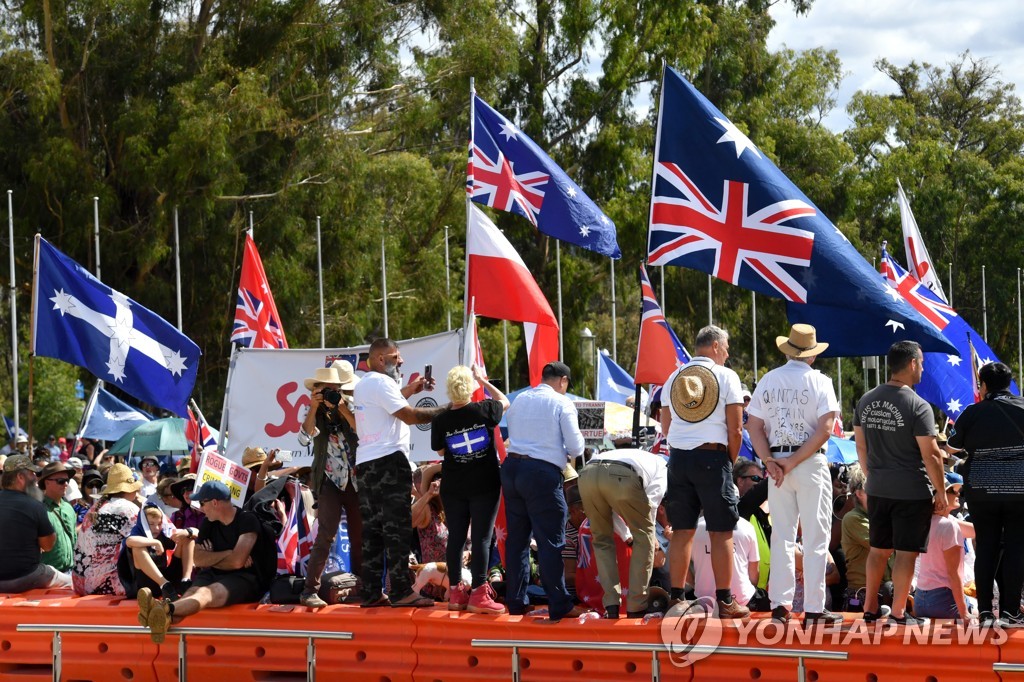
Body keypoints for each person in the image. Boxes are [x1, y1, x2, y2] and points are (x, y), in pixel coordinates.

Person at [746, 323, 842, 626]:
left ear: (788, 350)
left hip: (777, 462)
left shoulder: (769, 379)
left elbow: (754, 426)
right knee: (815, 538)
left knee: (783, 536)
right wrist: (793, 460)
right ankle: (814, 608)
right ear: (812, 355)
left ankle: (780, 606)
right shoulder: (821, 382)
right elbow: (826, 429)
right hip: (809, 462)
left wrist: (770, 461)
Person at [854, 340, 948, 626]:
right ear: (911, 364)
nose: (922, 368)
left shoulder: (866, 399)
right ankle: (897, 612)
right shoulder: (918, 405)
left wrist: (874, 476)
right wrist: (941, 492)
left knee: (878, 549)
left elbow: (861, 448)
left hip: (878, 487)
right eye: (920, 363)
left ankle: (869, 608)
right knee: (906, 553)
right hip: (911, 490)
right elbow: (931, 454)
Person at [660, 325, 749, 619]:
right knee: (721, 531)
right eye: (725, 347)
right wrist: (729, 460)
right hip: (712, 457)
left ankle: (676, 598)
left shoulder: (673, 377)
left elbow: (666, 426)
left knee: (682, 531)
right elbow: (736, 428)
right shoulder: (726, 376)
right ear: (713, 346)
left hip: (678, 459)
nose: (727, 352)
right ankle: (725, 600)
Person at [352, 337, 444, 608]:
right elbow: (410, 416)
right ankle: (402, 591)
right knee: (397, 529)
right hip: (389, 463)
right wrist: (447, 412)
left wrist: (410, 390)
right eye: (395, 357)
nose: (401, 361)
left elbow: (389, 407)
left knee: (373, 532)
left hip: (367, 464)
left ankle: (370, 592)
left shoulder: (364, 384)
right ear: (381, 359)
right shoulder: (381, 383)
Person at [138, 481, 277, 643]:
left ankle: (163, 609)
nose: (201, 508)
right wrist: (228, 554)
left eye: (202, 503)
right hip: (214, 573)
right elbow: (198, 559)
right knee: (191, 593)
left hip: (245, 579)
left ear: (215, 502)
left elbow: (237, 563)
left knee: (204, 594)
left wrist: (212, 558)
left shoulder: (247, 520)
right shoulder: (208, 522)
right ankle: (162, 618)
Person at [503, 361, 587, 621]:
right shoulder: (562, 403)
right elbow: (576, 448)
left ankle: (516, 601)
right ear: (562, 380)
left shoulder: (520, 400)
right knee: (551, 541)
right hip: (541, 474)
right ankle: (559, 603)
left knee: (517, 539)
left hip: (512, 468)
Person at [948, 361, 1024, 625]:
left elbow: (951, 446)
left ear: (983, 385)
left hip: (982, 492)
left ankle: (984, 613)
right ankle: (1010, 612)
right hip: (1018, 491)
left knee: (987, 548)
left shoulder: (972, 412)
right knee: (1016, 548)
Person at [429, 364, 509, 614]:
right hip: (484, 484)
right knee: (483, 538)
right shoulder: (484, 409)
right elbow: (504, 400)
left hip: (453, 487)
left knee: (456, 538)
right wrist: (483, 381)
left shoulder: (440, 419)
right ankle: (479, 593)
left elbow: (441, 451)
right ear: (471, 387)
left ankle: (455, 590)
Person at [298, 362, 363, 608]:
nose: (330, 393)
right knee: (326, 533)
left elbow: (363, 431)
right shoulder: (311, 409)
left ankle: (362, 586)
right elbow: (304, 438)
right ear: (316, 390)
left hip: (355, 480)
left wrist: (343, 408)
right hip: (329, 481)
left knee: (360, 535)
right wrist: (314, 408)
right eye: (326, 389)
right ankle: (309, 590)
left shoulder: (350, 405)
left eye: (334, 388)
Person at [578, 448, 667, 618]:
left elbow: (610, 513)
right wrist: (648, 535)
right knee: (645, 537)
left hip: (588, 473)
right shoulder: (663, 467)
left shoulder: (642, 457)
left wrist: (627, 535)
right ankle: (636, 606)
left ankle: (611, 606)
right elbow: (650, 507)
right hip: (621, 473)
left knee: (601, 540)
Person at [0, 455, 72, 591]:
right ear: (20, 478)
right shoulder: (34, 505)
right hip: (27, 577)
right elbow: (48, 545)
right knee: (73, 583)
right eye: (32, 474)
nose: (35, 478)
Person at [72, 463, 142, 595]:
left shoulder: (96, 507)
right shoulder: (127, 508)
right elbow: (145, 538)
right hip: (107, 585)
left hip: (81, 583)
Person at [915, 473, 975, 621]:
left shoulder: (925, 521)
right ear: (940, 495)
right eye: (952, 491)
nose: (958, 493)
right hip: (944, 600)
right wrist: (964, 613)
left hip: (920, 600)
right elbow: (954, 575)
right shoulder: (949, 525)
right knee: (988, 615)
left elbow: (975, 531)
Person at [840, 464, 894, 612]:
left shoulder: (882, 517)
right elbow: (885, 543)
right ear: (859, 493)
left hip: (887, 591)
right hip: (861, 595)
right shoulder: (852, 518)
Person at [692, 514, 768, 612]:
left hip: (704, 602)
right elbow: (753, 574)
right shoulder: (746, 526)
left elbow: (682, 568)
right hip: (743, 600)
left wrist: (697, 585)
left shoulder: (694, 527)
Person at [119, 504, 195, 599]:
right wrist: (156, 542)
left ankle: (185, 581)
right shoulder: (136, 533)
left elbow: (196, 532)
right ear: (144, 523)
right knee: (138, 547)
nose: (157, 528)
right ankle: (164, 585)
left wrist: (188, 532)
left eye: (159, 524)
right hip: (145, 585)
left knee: (188, 538)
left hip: (168, 579)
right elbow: (129, 541)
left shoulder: (164, 533)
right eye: (151, 524)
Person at [38, 462, 78, 574]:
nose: (66, 484)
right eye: (61, 481)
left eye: (67, 480)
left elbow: (74, 539)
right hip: (47, 574)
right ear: (47, 483)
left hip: (71, 571)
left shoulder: (68, 507)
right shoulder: (38, 509)